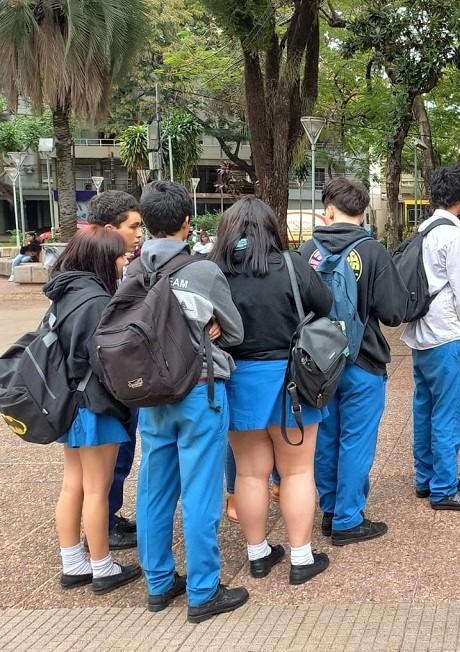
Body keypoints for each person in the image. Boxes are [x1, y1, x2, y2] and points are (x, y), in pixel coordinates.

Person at [132, 180, 248, 623]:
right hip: (200, 389)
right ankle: (203, 591)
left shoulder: (132, 271)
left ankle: (158, 583)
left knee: (154, 487)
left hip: (150, 392)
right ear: (186, 222)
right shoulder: (201, 272)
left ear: (145, 222)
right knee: (200, 488)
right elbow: (234, 333)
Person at [210, 197, 332, 584]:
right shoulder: (293, 265)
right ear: (271, 228)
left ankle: (258, 553)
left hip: (238, 379)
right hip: (290, 381)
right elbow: (325, 304)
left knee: (248, 473)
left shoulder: (215, 271)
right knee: (297, 472)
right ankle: (300, 557)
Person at [299, 178, 409, 545]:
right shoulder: (372, 251)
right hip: (363, 360)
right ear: (362, 212)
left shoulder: (305, 252)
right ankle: (348, 519)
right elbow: (394, 312)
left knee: (325, 438)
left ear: (328, 208)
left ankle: (330, 510)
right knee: (357, 440)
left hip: (316, 365)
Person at [46, 227, 141, 595]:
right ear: (102, 258)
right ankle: (102, 566)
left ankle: (73, 562)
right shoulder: (96, 301)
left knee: (73, 485)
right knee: (97, 490)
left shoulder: (65, 293)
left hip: (69, 403)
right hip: (95, 406)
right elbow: (105, 361)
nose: (124, 261)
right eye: (119, 256)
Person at [401, 164, 460, 510]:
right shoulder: (454, 234)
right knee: (448, 413)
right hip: (447, 333)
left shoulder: (424, 229)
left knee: (424, 408)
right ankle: (445, 488)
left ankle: (426, 479)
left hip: (420, 335)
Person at [84, 189, 144, 549]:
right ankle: (102, 528)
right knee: (105, 466)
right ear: (109, 228)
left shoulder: (109, 271)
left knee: (115, 461)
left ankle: (109, 517)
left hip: (112, 388)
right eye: (133, 226)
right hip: (105, 391)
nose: (139, 234)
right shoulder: (95, 285)